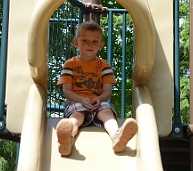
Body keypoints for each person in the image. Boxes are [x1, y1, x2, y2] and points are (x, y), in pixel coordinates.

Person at [56, 21, 138, 156]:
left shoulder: (104, 66)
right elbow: (67, 91)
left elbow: (107, 92)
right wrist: (82, 99)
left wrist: (99, 99)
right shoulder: (70, 64)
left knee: (107, 113)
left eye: (95, 41)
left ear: (101, 45)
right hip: (77, 101)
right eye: (85, 40)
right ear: (76, 43)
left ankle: (117, 136)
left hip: (97, 102)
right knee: (77, 116)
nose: (90, 44)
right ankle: (66, 138)